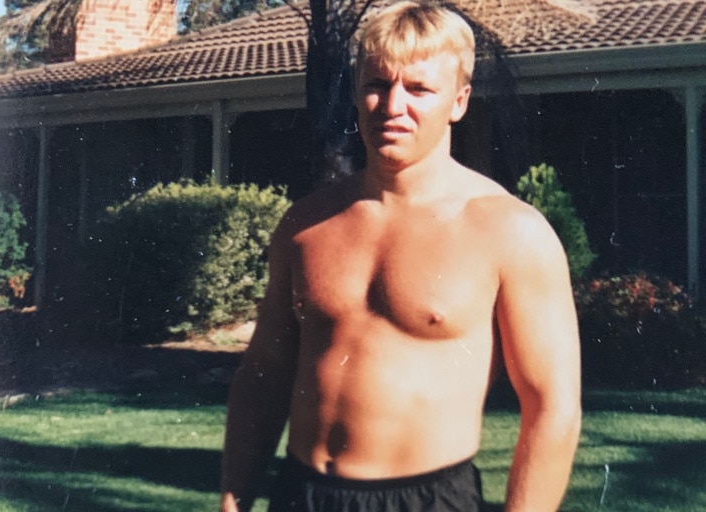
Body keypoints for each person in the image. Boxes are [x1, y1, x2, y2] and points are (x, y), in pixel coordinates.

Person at [220, 1, 582, 511]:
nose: (393, 106)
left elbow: (552, 408)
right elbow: (265, 372)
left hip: (429, 499)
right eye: (376, 85)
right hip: (301, 495)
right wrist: (233, 498)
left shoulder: (509, 231)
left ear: (458, 100)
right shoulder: (306, 224)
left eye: (418, 89)